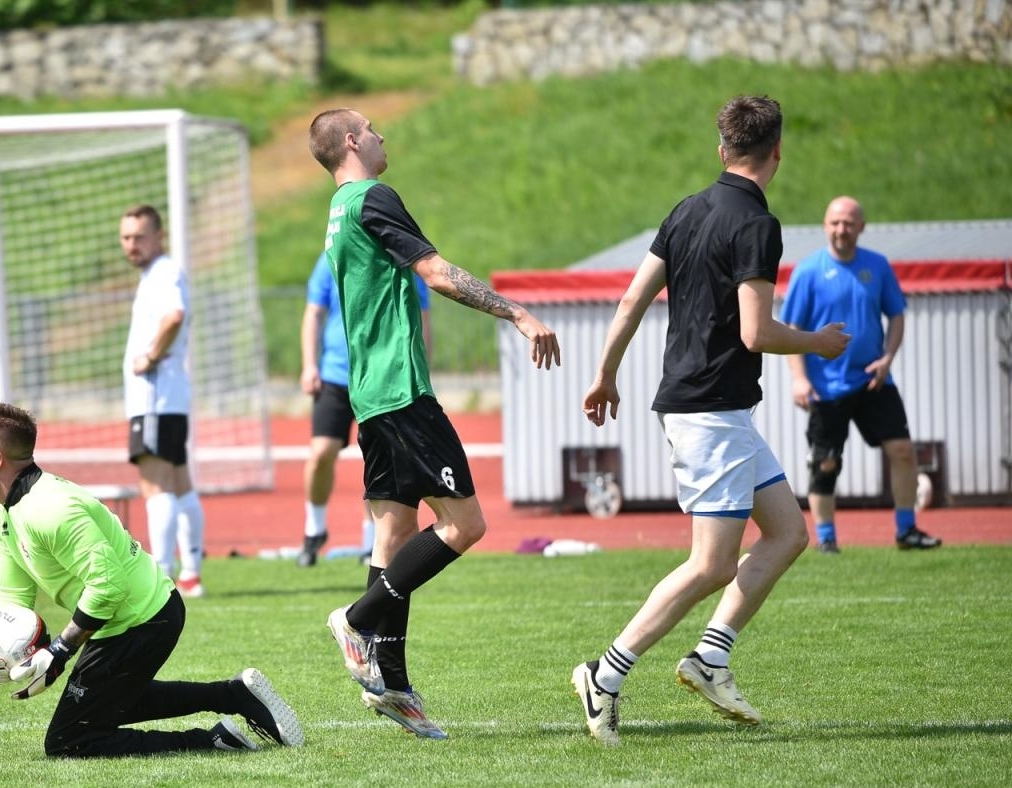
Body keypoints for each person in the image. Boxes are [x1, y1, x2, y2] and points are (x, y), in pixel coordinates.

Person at [573, 95, 852, 747]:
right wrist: (817, 343)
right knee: (710, 565)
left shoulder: (686, 211)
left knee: (787, 532)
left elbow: (633, 299)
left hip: (714, 411)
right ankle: (603, 674)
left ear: (723, 148)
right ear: (777, 151)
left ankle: (711, 659)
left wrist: (605, 373)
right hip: (710, 414)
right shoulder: (757, 223)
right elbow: (756, 333)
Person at [307, 107, 561, 740]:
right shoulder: (373, 196)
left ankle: (391, 685)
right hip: (400, 392)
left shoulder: (337, 212)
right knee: (465, 524)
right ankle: (359, 617)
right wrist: (517, 313)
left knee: (393, 534)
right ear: (350, 141)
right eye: (373, 129)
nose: (383, 135)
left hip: (371, 395)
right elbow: (437, 273)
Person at [0, 401, 303, 758]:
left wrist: (61, 649)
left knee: (69, 740)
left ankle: (213, 740)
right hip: (116, 619)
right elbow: (12, 595)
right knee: (109, 702)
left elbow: (110, 585)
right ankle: (234, 695)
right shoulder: (4, 511)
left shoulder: (50, 509)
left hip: (145, 617)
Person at [782, 196, 942, 553]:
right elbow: (792, 327)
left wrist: (887, 358)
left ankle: (906, 531)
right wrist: (799, 377)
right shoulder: (808, 271)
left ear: (861, 227)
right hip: (826, 386)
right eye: (836, 223)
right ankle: (826, 541)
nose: (842, 229)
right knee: (826, 462)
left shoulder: (878, 266)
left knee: (902, 450)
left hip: (874, 380)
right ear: (825, 226)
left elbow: (897, 315)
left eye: (849, 223)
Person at [297, 249, 432, 567]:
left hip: (382, 378)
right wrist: (308, 365)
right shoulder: (332, 254)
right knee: (320, 453)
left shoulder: (404, 256)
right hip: (335, 375)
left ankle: (370, 540)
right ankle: (314, 528)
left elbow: (422, 321)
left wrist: (421, 372)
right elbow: (313, 313)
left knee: (378, 461)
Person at [119, 204, 206, 598]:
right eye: (125, 237)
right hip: (168, 396)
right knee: (178, 481)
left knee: (155, 483)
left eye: (139, 236)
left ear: (159, 236)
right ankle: (190, 572)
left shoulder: (165, 272)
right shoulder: (156, 274)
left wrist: (150, 355)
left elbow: (174, 316)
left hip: (156, 395)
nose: (131, 245)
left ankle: (164, 574)